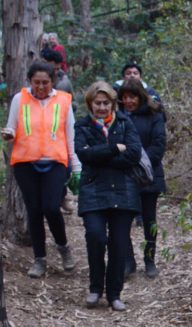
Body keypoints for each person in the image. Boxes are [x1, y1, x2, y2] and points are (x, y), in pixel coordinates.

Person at [2, 60, 79, 278]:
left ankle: (64, 248)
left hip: (55, 162)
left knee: (51, 207)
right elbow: (12, 127)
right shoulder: (20, 99)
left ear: (53, 81)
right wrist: (9, 134)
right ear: (30, 81)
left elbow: (70, 136)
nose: (41, 87)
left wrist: (75, 167)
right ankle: (40, 259)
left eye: (45, 82)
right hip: (26, 163)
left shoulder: (63, 101)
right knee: (34, 210)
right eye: (37, 83)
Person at [74, 80, 142, 311]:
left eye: (106, 103)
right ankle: (95, 288)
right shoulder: (82, 126)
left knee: (118, 244)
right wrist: (114, 148)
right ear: (90, 104)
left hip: (124, 191)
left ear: (113, 104)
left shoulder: (125, 122)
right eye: (97, 103)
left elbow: (133, 154)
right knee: (95, 237)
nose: (102, 107)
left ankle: (114, 294)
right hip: (93, 190)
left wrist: (100, 155)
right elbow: (84, 155)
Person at [118, 79, 166, 279]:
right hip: (123, 175)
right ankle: (128, 261)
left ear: (140, 96)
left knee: (149, 220)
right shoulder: (117, 117)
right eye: (125, 97)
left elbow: (159, 144)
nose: (129, 101)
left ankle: (150, 260)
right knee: (123, 220)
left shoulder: (154, 115)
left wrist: (139, 160)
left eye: (133, 97)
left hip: (148, 176)